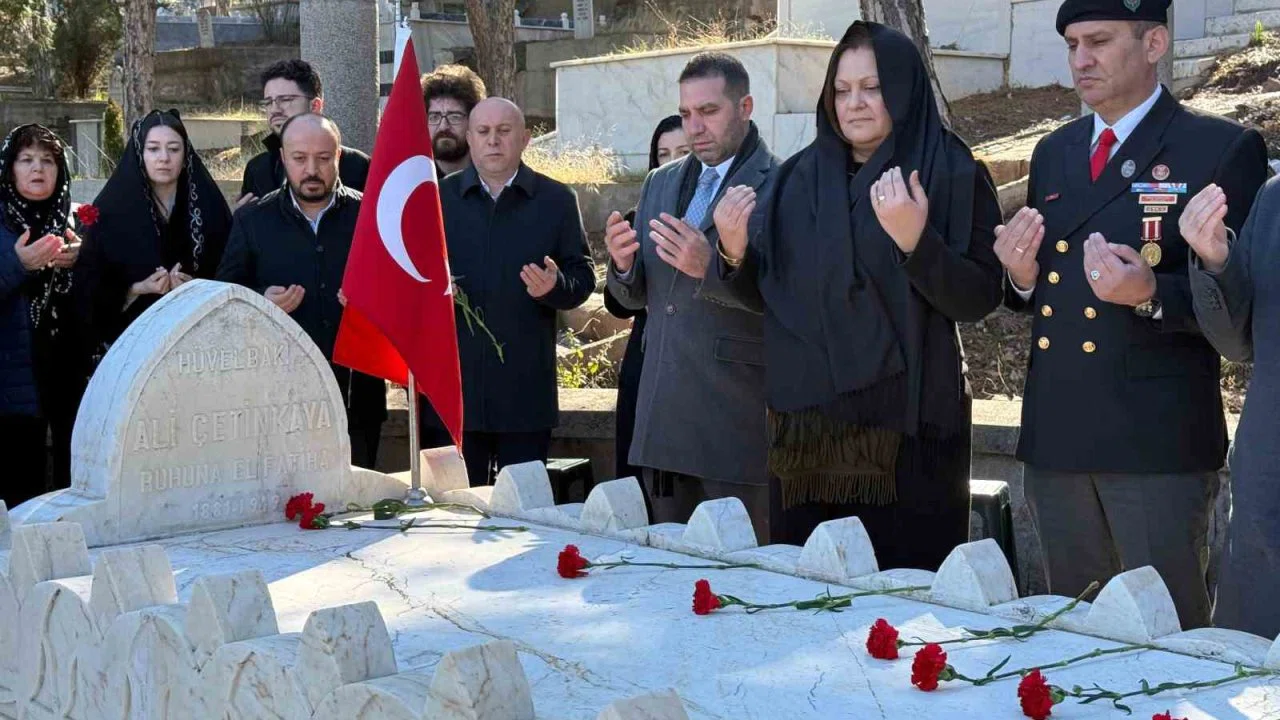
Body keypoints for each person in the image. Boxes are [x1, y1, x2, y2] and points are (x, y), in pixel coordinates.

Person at [996, 0, 1268, 628]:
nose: (1081, 59)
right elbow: (1047, 290)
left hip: (1156, 443)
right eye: (1072, 45)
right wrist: (1021, 277)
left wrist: (1152, 293)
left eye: (1099, 41)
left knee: (1166, 638)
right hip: (1059, 433)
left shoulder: (1219, 149)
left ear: (1154, 45)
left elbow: (1246, 310)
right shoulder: (1056, 151)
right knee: (1071, 631)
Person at [705, 22, 1003, 568]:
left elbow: (979, 297)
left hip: (908, 430)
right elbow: (770, 296)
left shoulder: (950, 172)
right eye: (842, 90)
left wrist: (916, 244)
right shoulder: (795, 180)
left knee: (903, 594)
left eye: (872, 87)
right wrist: (732, 251)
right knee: (809, 586)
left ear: (904, 89)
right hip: (809, 432)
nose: (854, 103)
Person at [604, 53, 778, 542]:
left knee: (742, 576)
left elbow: (796, 305)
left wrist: (715, 268)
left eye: (708, 111)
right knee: (664, 575)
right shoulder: (660, 182)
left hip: (737, 430)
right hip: (662, 424)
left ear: (745, 107)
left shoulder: (784, 184)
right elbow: (640, 298)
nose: (695, 127)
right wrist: (622, 266)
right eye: (685, 113)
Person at [418, 98, 595, 486]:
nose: (493, 141)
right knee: (455, 508)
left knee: (522, 507)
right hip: (455, 392)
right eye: (483, 132)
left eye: (504, 131)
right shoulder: (437, 199)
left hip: (524, 394)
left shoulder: (557, 200)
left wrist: (554, 287)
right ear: (469, 138)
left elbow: (583, 278)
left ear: (525, 139)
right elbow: (411, 276)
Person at [217, 114, 387, 469]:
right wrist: (260, 300)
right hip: (278, 397)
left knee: (358, 495)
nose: (312, 170)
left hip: (358, 393)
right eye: (299, 158)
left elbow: (400, 292)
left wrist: (373, 297)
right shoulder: (252, 220)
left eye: (323, 158)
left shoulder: (372, 215)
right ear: (283, 158)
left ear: (339, 156)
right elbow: (225, 296)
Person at [1185, 178, 1280, 638]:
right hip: (1268, 503)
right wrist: (1216, 260)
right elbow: (1237, 342)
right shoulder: (1275, 199)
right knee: (1251, 658)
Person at [76, 110, 234, 363]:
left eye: (173, 149)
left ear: (185, 155)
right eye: (153, 149)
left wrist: (195, 289)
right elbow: (88, 286)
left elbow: (231, 274)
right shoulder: (111, 211)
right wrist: (137, 288)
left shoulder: (209, 207)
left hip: (200, 346)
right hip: (130, 346)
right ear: (140, 153)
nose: (164, 158)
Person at [0, 125, 87, 505]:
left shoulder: (75, 224)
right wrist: (17, 264)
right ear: (9, 168)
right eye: (27, 159)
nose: (38, 168)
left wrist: (84, 261)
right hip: (11, 386)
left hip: (67, 380)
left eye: (48, 161)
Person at [604, 114, 689, 484]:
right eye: (663, 154)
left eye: (683, 152)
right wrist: (623, 267)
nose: (672, 163)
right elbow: (618, 304)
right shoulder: (637, 218)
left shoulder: (721, 217)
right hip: (646, 360)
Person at [238, 60, 371, 205]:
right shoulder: (257, 168)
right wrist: (242, 216)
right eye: (268, 102)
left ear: (315, 106)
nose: (275, 109)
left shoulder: (358, 166)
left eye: (285, 100)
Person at [420, 64, 487, 177]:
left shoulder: (492, 177)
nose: (443, 126)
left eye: (454, 117)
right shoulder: (413, 180)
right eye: (434, 117)